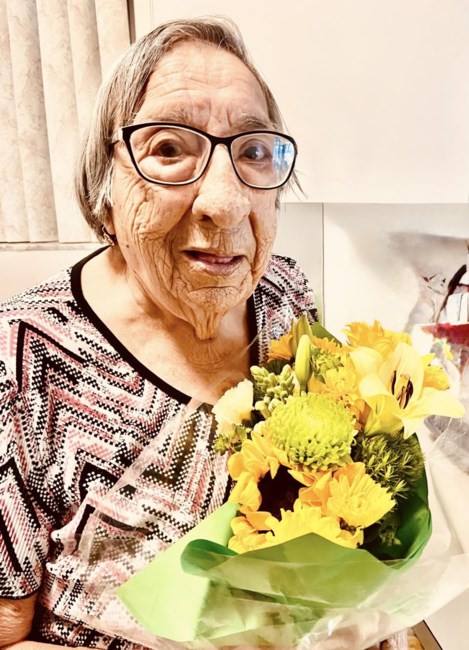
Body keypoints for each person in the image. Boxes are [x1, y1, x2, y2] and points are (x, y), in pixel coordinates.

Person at [0, 15, 406, 650]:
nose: (227, 202)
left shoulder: (284, 295)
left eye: (253, 152)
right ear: (105, 185)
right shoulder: (23, 360)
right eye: (169, 149)